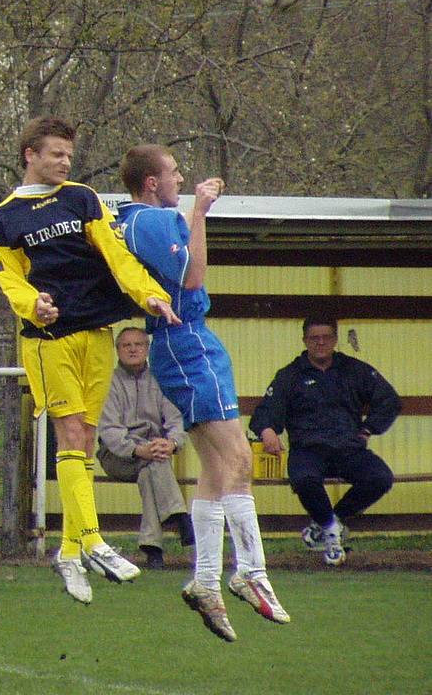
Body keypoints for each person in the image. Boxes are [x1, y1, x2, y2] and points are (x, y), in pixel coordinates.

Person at [0, 117, 180, 605]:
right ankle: (93, 541)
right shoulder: (2, 219)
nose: (64, 162)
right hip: (49, 339)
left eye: (68, 155)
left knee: (85, 442)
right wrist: (34, 304)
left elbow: (116, 255)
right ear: (30, 154)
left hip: (97, 332)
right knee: (71, 433)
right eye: (55, 154)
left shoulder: (83, 199)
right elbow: (9, 280)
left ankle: (69, 552)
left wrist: (149, 294)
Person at [117, 144, 290, 643]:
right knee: (239, 459)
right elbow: (192, 275)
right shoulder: (150, 221)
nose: (179, 178)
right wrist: (200, 211)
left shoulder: (141, 219)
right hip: (185, 340)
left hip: (187, 341)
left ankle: (208, 580)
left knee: (222, 468)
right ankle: (249, 572)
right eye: (173, 172)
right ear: (152, 182)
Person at [250, 315, 401, 566]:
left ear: (335, 340)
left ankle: (330, 522)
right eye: (314, 338)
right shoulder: (290, 375)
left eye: (326, 337)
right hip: (308, 450)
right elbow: (266, 410)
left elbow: (389, 400)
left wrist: (368, 428)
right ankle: (332, 535)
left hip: (349, 449)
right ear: (305, 341)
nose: (320, 343)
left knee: (380, 477)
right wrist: (267, 430)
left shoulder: (354, 370)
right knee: (304, 479)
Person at [96, 326, 194, 569]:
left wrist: (171, 443)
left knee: (149, 471)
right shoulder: (107, 382)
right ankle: (179, 516)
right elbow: (108, 430)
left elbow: (175, 420)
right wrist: (137, 449)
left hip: (153, 452)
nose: (132, 349)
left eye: (138, 344)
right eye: (126, 345)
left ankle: (153, 549)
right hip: (117, 454)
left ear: (147, 349)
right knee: (153, 462)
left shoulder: (160, 380)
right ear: (117, 350)